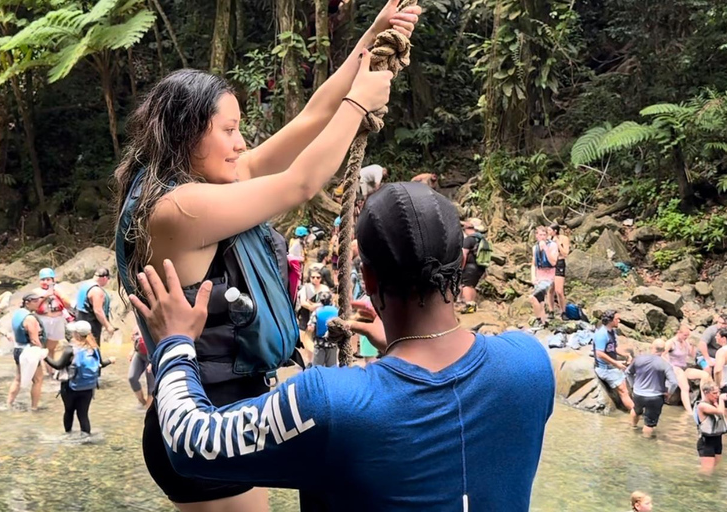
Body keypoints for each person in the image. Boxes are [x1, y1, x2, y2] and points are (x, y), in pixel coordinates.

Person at [113, 2, 420, 509]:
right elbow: (300, 182)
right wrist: (360, 108)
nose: (241, 143)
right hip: (205, 423)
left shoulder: (201, 182)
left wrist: (372, 36)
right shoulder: (178, 208)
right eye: (228, 131)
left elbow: (311, 117)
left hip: (226, 414)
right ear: (188, 135)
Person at [129, 182, 555, 511]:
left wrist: (175, 343)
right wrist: (400, 350)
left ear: (365, 281)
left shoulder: (332, 402)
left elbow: (189, 443)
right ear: (462, 267)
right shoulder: (530, 364)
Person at [45, 321, 116, 434]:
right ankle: (87, 438)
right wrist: (110, 360)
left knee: (69, 411)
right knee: (83, 415)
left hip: (70, 387)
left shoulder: (70, 350)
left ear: (76, 334)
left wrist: (45, 356)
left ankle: (68, 435)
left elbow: (58, 366)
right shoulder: (94, 348)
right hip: (88, 387)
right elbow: (100, 364)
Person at [626, 339, 679, 437]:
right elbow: (674, 382)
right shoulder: (665, 365)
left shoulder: (638, 359)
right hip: (655, 397)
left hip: (638, 394)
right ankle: (646, 443)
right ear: (663, 350)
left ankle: (632, 429)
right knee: (649, 423)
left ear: (652, 347)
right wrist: (669, 393)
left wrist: (633, 386)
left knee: (636, 410)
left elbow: (628, 372)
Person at [6, 293, 47, 410]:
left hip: (18, 348)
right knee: (38, 379)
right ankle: (34, 407)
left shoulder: (18, 313)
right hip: (29, 351)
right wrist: (42, 352)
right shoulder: (30, 318)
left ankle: (8, 403)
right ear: (27, 302)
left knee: (18, 378)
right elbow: (34, 339)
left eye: (38, 300)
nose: (38, 303)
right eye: (35, 301)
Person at [593, 310, 634, 411]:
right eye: (617, 319)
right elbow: (599, 353)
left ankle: (634, 410)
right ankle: (635, 413)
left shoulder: (611, 332)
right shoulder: (602, 334)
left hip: (612, 367)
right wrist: (616, 363)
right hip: (605, 369)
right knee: (623, 391)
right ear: (610, 321)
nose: (619, 321)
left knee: (627, 386)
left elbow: (612, 348)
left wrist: (625, 355)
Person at [34, 268, 72, 376]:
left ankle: (50, 371)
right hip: (43, 319)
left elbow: (68, 304)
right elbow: (35, 306)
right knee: (41, 347)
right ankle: (41, 371)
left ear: (53, 280)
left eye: (48, 279)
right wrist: (46, 295)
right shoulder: (36, 292)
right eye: (43, 279)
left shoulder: (58, 290)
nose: (45, 282)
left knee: (52, 348)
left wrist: (58, 294)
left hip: (57, 320)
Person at [662, 324, 709, 413]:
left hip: (684, 367)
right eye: (684, 335)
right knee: (685, 387)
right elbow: (662, 355)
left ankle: (704, 401)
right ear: (678, 332)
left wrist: (693, 346)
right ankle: (689, 411)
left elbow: (692, 355)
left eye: (687, 335)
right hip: (674, 367)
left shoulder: (686, 342)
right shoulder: (671, 343)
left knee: (705, 375)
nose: (686, 337)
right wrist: (669, 366)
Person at [75, 268, 115, 355]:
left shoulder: (85, 285)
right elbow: (98, 311)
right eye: (108, 279)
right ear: (105, 278)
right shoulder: (96, 291)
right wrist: (108, 326)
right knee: (93, 350)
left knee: (81, 348)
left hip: (80, 322)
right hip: (90, 325)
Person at [694, 381, 727, 475]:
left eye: (718, 393)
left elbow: (724, 416)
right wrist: (721, 399)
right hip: (706, 442)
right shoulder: (702, 405)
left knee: (716, 470)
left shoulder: (715, 404)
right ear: (706, 392)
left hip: (717, 440)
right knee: (706, 472)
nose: (717, 395)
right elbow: (720, 412)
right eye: (714, 393)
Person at [529, 226, 558, 328]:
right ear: (536, 236)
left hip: (550, 275)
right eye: (540, 235)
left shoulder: (553, 245)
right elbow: (534, 264)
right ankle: (543, 321)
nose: (542, 237)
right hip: (539, 275)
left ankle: (538, 320)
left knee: (533, 297)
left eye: (544, 235)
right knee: (540, 300)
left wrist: (545, 249)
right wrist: (533, 277)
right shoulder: (534, 247)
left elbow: (553, 262)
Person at [459, 218, 487, 314]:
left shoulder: (469, 239)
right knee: (472, 286)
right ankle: (472, 305)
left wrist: (461, 267)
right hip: (480, 267)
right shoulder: (482, 238)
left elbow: (464, 254)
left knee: (466, 285)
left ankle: (468, 306)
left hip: (470, 266)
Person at [307, 291, 339, 367]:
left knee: (317, 369)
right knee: (331, 369)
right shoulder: (337, 311)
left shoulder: (316, 312)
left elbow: (310, 328)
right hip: (332, 344)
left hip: (319, 344)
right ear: (331, 300)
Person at [128, 328, 155, 407]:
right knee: (132, 378)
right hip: (140, 354)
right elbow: (137, 337)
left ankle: (148, 411)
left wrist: (153, 361)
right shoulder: (139, 321)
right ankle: (142, 403)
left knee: (151, 387)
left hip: (151, 356)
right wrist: (132, 350)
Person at [548, 223, 570, 319]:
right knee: (550, 289)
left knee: (559, 290)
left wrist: (558, 244)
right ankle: (551, 311)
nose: (548, 232)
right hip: (550, 264)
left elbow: (565, 253)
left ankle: (563, 312)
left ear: (555, 231)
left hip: (560, 263)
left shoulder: (563, 239)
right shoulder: (548, 239)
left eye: (549, 231)